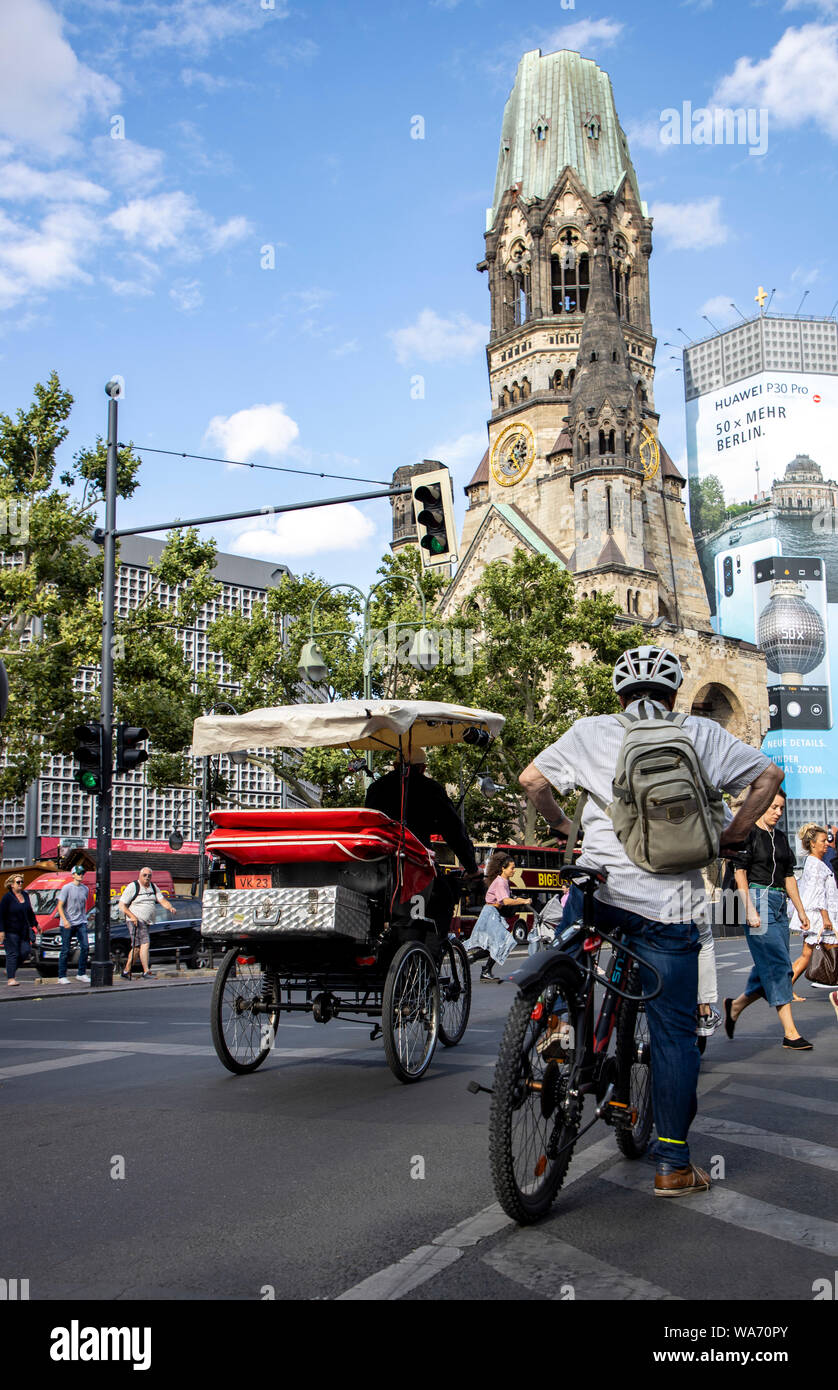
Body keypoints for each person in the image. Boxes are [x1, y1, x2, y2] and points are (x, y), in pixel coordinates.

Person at [519, 644, 783, 1199]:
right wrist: (732, 835)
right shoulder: (702, 734)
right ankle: (673, 1166)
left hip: (599, 892)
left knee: (571, 954)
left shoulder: (590, 731)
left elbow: (531, 781)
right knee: (673, 1036)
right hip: (672, 907)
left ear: (619, 695)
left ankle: (558, 1023)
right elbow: (768, 776)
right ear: (674, 693)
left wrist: (567, 823)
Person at [726, 791, 813, 1048]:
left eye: (781, 808)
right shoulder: (748, 833)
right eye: (774, 807)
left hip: (778, 904)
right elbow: (739, 874)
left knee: (773, 963)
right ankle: (790, 1033)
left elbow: (788, 878)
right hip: (757, 899)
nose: (778, 812)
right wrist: (750, 910)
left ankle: (736, 1006)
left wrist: (801, 910)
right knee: (778, 967)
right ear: (762, 806)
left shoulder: (782, 838)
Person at [365, 753, 481, 934]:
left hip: (379, 866)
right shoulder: (430, 788)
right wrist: (471, 866)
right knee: (444, 897)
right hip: (417, 864)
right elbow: (454, 830)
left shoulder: (375, 788)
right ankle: (433, 953)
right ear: (422, 768)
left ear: (395, 765)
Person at [465, 852, 530, 982]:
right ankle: (482, 967)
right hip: (491, 913)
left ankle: (475, 961)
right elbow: (505, 901)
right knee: (502, 942)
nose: (514, 870)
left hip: (492, 913)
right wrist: (523, 901)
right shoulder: (501, 882)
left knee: (493, 944)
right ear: (503, 869)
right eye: (512, 868)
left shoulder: (503, 881)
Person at [789, 823, 838, 995]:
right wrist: (826, 919)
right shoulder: (815, 864)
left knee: (806, 956)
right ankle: (785, 989)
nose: (826, 844)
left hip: (819, 915)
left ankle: (785, 989)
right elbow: (818, 894)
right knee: (807, 955)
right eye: (823, 841)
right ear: (813, 843)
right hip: (820, 917)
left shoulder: (814, 862)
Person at [118, 867, 176, 979]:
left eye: (149, 875)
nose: (147, 877)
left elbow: (161, 900)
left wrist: (170, 907)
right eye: (144, 875)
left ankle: (126, 971)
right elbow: (122, 905)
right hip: (135, 920)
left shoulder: (153, 887)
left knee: (136, 948)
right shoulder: (133, 886)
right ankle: (146, 971)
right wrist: (132, 916)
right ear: (139, 875)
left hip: (146, 921)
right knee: (145, 943)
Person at [57, 863, 92, 984]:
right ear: (73, 875)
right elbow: (60, 906)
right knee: (65, 949)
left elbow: (84, 905)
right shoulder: (67, 888)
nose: (81, 875)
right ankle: (62, 975)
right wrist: (65, 920)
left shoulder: (85, 889)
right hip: (68, 923)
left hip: (81, 921)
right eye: (79, 873)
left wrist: (85, 918)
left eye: (82, 873)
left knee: (85, 947)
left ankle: (81, 973)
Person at [0, 873, 38, 986]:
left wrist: (36, 924)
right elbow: (1, 915)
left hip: (23, 930)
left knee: (25, 951)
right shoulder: (7, 898)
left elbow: (29, 912)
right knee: (13, 954)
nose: (21, 884)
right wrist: (1, 931)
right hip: (10, 931)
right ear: (12, 885)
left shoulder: (25, 895)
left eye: (22, 882)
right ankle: (11, 978)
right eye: (18, 882)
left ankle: (10, 968)